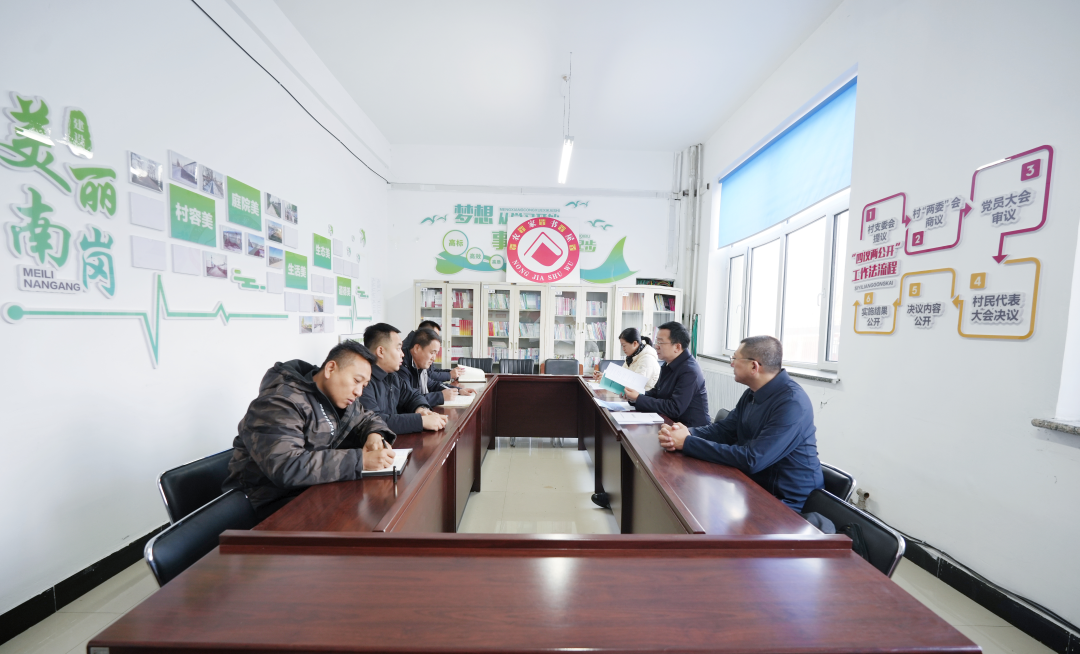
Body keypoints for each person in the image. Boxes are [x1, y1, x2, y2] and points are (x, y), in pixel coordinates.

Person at [222, 340, 398, 521]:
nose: (359, 392)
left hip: (310, 492)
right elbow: (287, 466)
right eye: (356, 381)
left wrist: (375, 434)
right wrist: (361, 461)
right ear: (330, 369)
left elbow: (367, 418)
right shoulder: (280, 402)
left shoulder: (338, 399)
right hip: (264, 507)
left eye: (364, 385)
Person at [657, 335, 824, 513]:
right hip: (755, 485)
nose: (731, 364)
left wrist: (687, 442)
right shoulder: (752, 393)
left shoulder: (792, 403)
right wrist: (684, 433)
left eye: (735, 358)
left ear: (754, 366)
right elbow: (725, 430)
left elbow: (752, 459)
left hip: (789, 502)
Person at [360, 323, 448, 433]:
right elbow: (373, 421)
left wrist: (421, 409)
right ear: (381, 351)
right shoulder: (363, 382)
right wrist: (420, 421)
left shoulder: (392, 376)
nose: (402, 354)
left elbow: (413, 395)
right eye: (398, 349)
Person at [624, 321, 709, 427]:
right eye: (656, 341)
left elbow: (674, 408)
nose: (656, 346)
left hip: (691, 430)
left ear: (677, 347)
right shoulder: (668, 363)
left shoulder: (690, 371)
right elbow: (655, 393)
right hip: (669, 423)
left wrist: (638, 398)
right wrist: (634, 396)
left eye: (660, 342)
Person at [398, 327, 475, 406]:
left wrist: (458, 390)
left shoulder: (420, 365)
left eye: (436, 353)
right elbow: (408, 400)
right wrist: (440, 396)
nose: (434, 359)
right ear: (417, 348)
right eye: (432, 353)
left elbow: (432, 384)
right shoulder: (401, 366)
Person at [592, 327, 661, 390]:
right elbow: (621, 378)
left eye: (624, 345)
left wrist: (606, 381)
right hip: (631, 396)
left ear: (635, 343)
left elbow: (635, 386)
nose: (623, 349)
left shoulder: (647, 359)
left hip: (642, 397)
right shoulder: (631, 357)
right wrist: (605, 376)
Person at [404, 320, 464, 385]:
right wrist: (449, 375)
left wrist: (451, 372)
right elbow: (429, 375)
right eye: (434, 335)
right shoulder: (407, 356)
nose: (437, 339)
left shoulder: (424, 350)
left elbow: (432, 373)